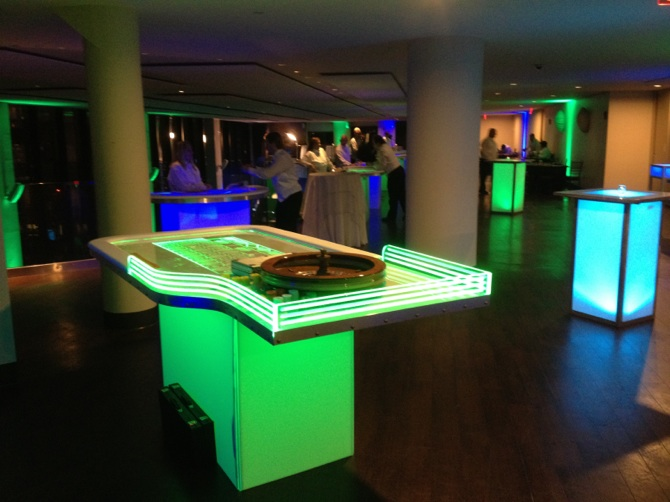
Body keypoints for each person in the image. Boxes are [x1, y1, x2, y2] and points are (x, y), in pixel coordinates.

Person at [244, 132, 303, 232]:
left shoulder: (282, 157)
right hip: (288, 196)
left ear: (273, 143)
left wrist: (248, 170)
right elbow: (269, 171)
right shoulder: (279, 156)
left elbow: (267, 173)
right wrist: (255, 168)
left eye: (267, 144)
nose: (266, 147)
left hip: (290, 196)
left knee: (286, 228)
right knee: (284, 227)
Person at [372, 134, 405, 223]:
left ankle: (391, 218)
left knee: (393, 197)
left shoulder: (382, 150)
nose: (373, 145)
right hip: (400, 171)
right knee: (401, 196)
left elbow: (383, 165)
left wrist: (374, 166)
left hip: (394, 174)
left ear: (377, 143)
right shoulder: (386, 146)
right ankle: (407, 215)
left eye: (374, 143)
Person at [479, 128, 497, 195]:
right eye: (494, 133)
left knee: (486, 177)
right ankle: (482, 190)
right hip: (486, 161)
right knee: (484, 177)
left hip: (490, 161)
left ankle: (484, 189)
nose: (495, 134)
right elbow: (484, 151)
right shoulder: (486, 141)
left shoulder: (492, 142)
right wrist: (489, 158)